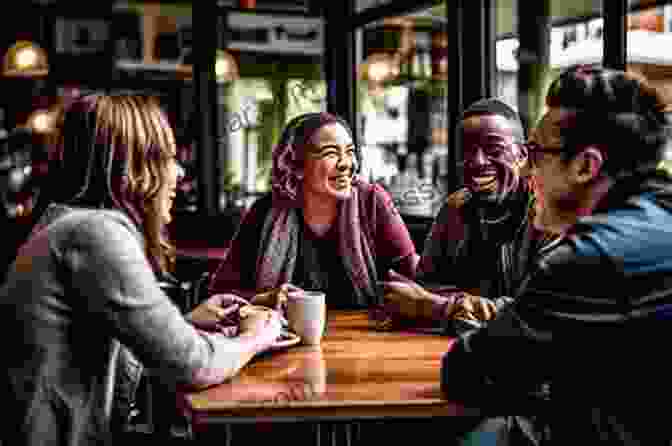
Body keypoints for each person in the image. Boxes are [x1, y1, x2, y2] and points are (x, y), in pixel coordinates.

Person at [0, 94, 284, 446]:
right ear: (136, 168)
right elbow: (194, 366)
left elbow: (98, 344)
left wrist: (187, 324)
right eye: (167, 158)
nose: (177, 174)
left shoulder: (64, 224)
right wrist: (256, 336)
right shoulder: (93, 233)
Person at [441, 66, 672, 444]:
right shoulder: (660, 216)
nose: (526, 169)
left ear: (586, 166)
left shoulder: (592, 257)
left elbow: (466, 371)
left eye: (535, 153)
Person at [377, 98, 557, 331]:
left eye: (494, 149)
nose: (477, 161)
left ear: (523, 155)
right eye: (467, 150)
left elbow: (538, 313)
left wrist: (439, 308)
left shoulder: (550, 216)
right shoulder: (455, 208)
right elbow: (427, 288)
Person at [208, 111, 418, 309]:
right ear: (296, 165)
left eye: (350, 152)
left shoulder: (372, 202)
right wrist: (262, 299)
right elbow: (221, 293)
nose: (347, 164)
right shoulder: (265, 211)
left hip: (371, 339)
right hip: (286, 338)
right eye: (331, 153)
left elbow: (416, 282)